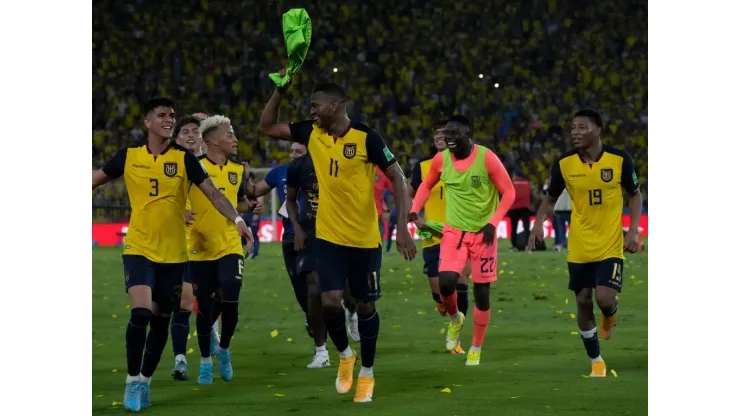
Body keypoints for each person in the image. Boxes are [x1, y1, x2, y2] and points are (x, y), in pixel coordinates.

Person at [259, 78, 416, 403]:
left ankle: (367, 374)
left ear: (335, 106)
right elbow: (267, 127)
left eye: (315, 105)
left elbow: (398, 177)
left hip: (363, 238)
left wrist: (401, 226)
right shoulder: (311, 132)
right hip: (328, 237)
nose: (311, 111)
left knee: (364, 305)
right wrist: (281, 90)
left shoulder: (366, 137)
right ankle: (345, 354)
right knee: (328, 299)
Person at [92, 98, 253, 412]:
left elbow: (213, 193)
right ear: (147, 122)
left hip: (175, 254)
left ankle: (146, 381)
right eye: (162, 115)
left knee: (162, 321)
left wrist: (238, 219)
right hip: (138, 247)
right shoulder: (129, 156)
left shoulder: (184, 159)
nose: (168, 120)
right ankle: (131, 380)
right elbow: (94, 179)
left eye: (172, 116)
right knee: (141, 314)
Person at [528, 109, 642, 378]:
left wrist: (634, 231)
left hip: (610, 243)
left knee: (604, 298)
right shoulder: (565, 164)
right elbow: (550, 198)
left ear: (597, 130)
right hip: (579, 244)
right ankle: (596, 360)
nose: (575, 133)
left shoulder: (619, 159)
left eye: (581, 127)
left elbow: (635, 196)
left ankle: (610, 312)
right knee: (582, 300)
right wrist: (537, 224)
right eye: (572, 128)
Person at [410, 116, 515, 366]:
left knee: (482, 293)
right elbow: (426, 185)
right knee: (446, 282)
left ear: (470, 134)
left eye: (455, 133)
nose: (450, 138)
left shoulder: (486, 157)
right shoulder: (440, 160)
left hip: (483, 234)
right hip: (454, 232)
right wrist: (415, 209)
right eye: (447, 134)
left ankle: (476, 347)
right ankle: (456, 319)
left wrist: (493, 223)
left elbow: (509, 192)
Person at [185, 115, 255, 384]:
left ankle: (223, 349)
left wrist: (249, 209)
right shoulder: (194, 168)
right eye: (230, 135)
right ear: (213, 140)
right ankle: (205, 362)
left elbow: (239, 202)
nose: (235, 139)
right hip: (200, 246)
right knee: (204, 307)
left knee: (231, 291)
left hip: (229, 244)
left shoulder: (237, 170)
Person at [241, 143, 320, 341]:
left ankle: (322, 337)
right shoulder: (280, 172)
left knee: (315, 286)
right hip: (290, 237)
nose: (293, 155)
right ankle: (312, 318)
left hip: (316, 235)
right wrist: (245, 177)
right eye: (291, 151)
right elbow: (254, 190)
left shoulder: (319, 169)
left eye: (298, 152)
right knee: (301, 290)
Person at [409, 119, 469, 355]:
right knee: (440, 291)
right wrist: (416, 222)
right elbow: (409, 199)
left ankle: (458, 336)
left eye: (445, 133)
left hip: (460, 235)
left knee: (461, 282)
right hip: (432, 236)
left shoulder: (467, 165)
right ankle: (442, 303)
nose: (439, 136)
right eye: (436, 132)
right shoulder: (422, 168)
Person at [285, 152, 331, 368]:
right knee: (314, 291)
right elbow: (291, 200)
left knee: (347, 296)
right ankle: (321, 351)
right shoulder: (298, 166)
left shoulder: (341, 155)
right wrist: (297, 228)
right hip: (311, 234)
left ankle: (351, 314)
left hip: (341, 232)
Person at [508, 170, 535, 251]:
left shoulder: (511, 182)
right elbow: (532, 194)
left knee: (514, 228)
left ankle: (514, 246)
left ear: (515, 175)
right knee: (527, 227)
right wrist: (531, 204)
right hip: (525, 207)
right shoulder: (528, 183)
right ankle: (528, 245)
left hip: (513, 207)